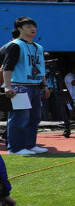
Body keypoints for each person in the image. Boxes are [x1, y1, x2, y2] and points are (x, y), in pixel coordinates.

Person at [2, 17, 50, 155]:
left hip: (35, 85)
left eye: (33, 26)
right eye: (28, 26)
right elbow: (7, 67)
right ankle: (15, 148)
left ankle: (30, 144)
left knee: (34, 118)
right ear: (19, 29)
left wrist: (45, 85)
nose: (32, 29)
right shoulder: (15, 45)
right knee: (19, 118)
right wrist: (8, 86)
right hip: (20, 86)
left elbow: (41, 68)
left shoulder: (39, 47)